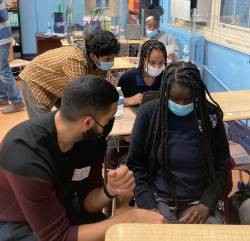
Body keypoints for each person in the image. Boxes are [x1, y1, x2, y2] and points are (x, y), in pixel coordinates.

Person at [0, 75, 164, 241]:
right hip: (19, 224)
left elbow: (87, 202)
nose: (110, 124)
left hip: (62, 207)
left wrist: (110, 190)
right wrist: (127, 219)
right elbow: (57, 237)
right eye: (109, 119)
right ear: (88, 122)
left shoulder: (89, 140)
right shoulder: (25, 154)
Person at [127, 61, 230, 224]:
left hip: (200, 200)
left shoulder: (210, 116)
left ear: (197, 94)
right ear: (165, 92)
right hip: (158, 199)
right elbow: (136, 165)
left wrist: (206, 204)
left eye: (188, 99)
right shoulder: (149, 114)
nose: (181, 104)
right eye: (174, 99)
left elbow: (222, 165)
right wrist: (150, 206)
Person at [19, 29, 120, 118]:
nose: (111, 62)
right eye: (107, 59)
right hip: (35, 80)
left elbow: (98, 85)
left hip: (57, 83)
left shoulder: (98, 58)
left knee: (69, 118)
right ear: (93, 56)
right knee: (43, 126)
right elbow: (81, 95)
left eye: (113, 57)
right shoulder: (76, 58)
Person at [118, 39, 167, 107]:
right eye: (152, 62)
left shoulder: (165, 77)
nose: (157, 67)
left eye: (161, 62)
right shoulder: (127, 78)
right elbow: (114, 102)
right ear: (143, 60)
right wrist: (129, 100)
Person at [0, 0, 24, 114]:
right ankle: (3, 98)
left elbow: (3, 15)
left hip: (1, 38)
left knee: (4, 71)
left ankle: (17, 101)